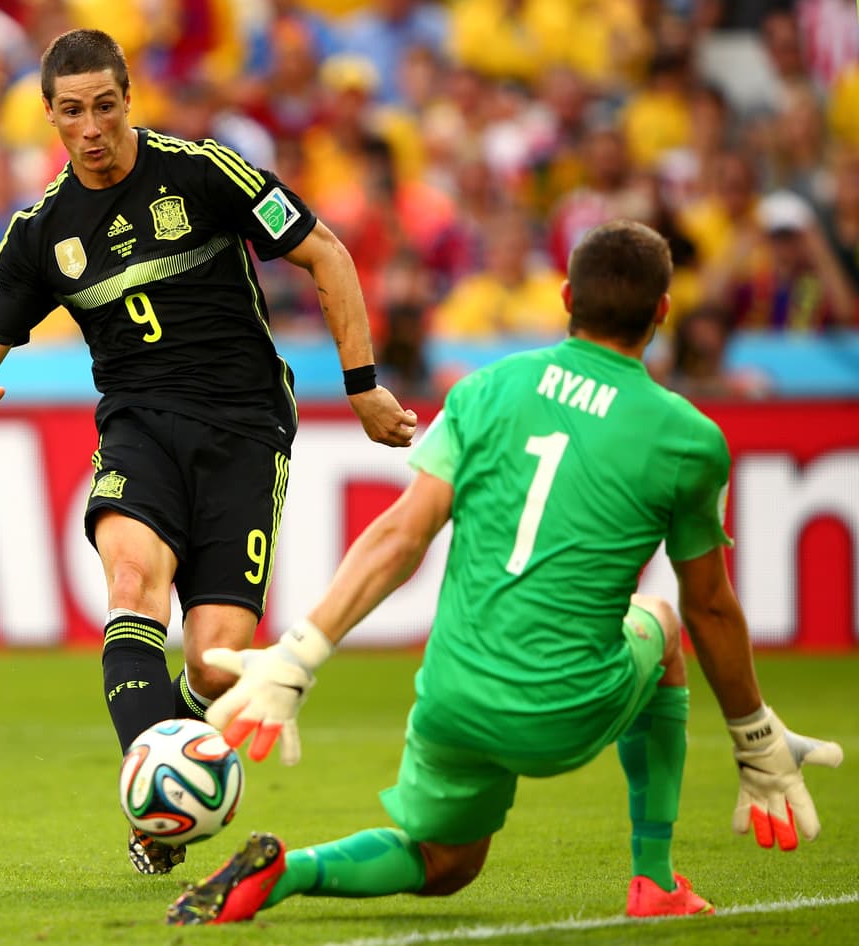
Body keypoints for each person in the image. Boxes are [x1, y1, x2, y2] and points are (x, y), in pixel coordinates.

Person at [165, 220, 844, 925]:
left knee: (442, 861)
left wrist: (298, 656)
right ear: (664, 312)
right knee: (666, 622)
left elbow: (403, 535)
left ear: (566, 297)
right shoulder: (689, 438)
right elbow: (710, 606)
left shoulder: (488, 389)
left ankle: (290, 870)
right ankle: (655, 881)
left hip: (454, 698)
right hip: (565, 707)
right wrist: (753, 732)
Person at [0, 28, 417, 876]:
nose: (91, 128)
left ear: (130, 98)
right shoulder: (43, 230)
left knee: (216, 661)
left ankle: (176, 743)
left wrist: (363, 384)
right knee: (131, 585)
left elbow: (325, 252)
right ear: (49, 115)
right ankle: (153, 808)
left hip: (244, 429)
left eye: (106, 106)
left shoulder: (204, 172)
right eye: (72, 112)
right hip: (140, 426)